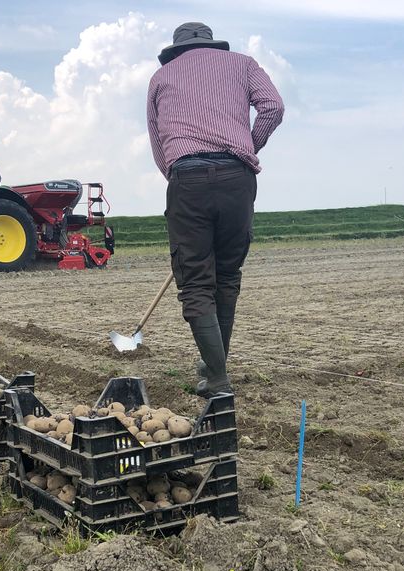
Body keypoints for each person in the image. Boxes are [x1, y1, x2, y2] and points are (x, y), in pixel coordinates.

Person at [147, 22, 284, 397]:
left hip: (187, 180)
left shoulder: (161, 77)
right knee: (226, 276)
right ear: (213, 45)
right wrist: (246, 149)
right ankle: (213, 366)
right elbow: (273, 107)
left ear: (175, 51)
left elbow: (159, 145)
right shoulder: (242, 64)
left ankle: (218, 377)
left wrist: (180, 177)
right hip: (238, 179)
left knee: (195, 283)